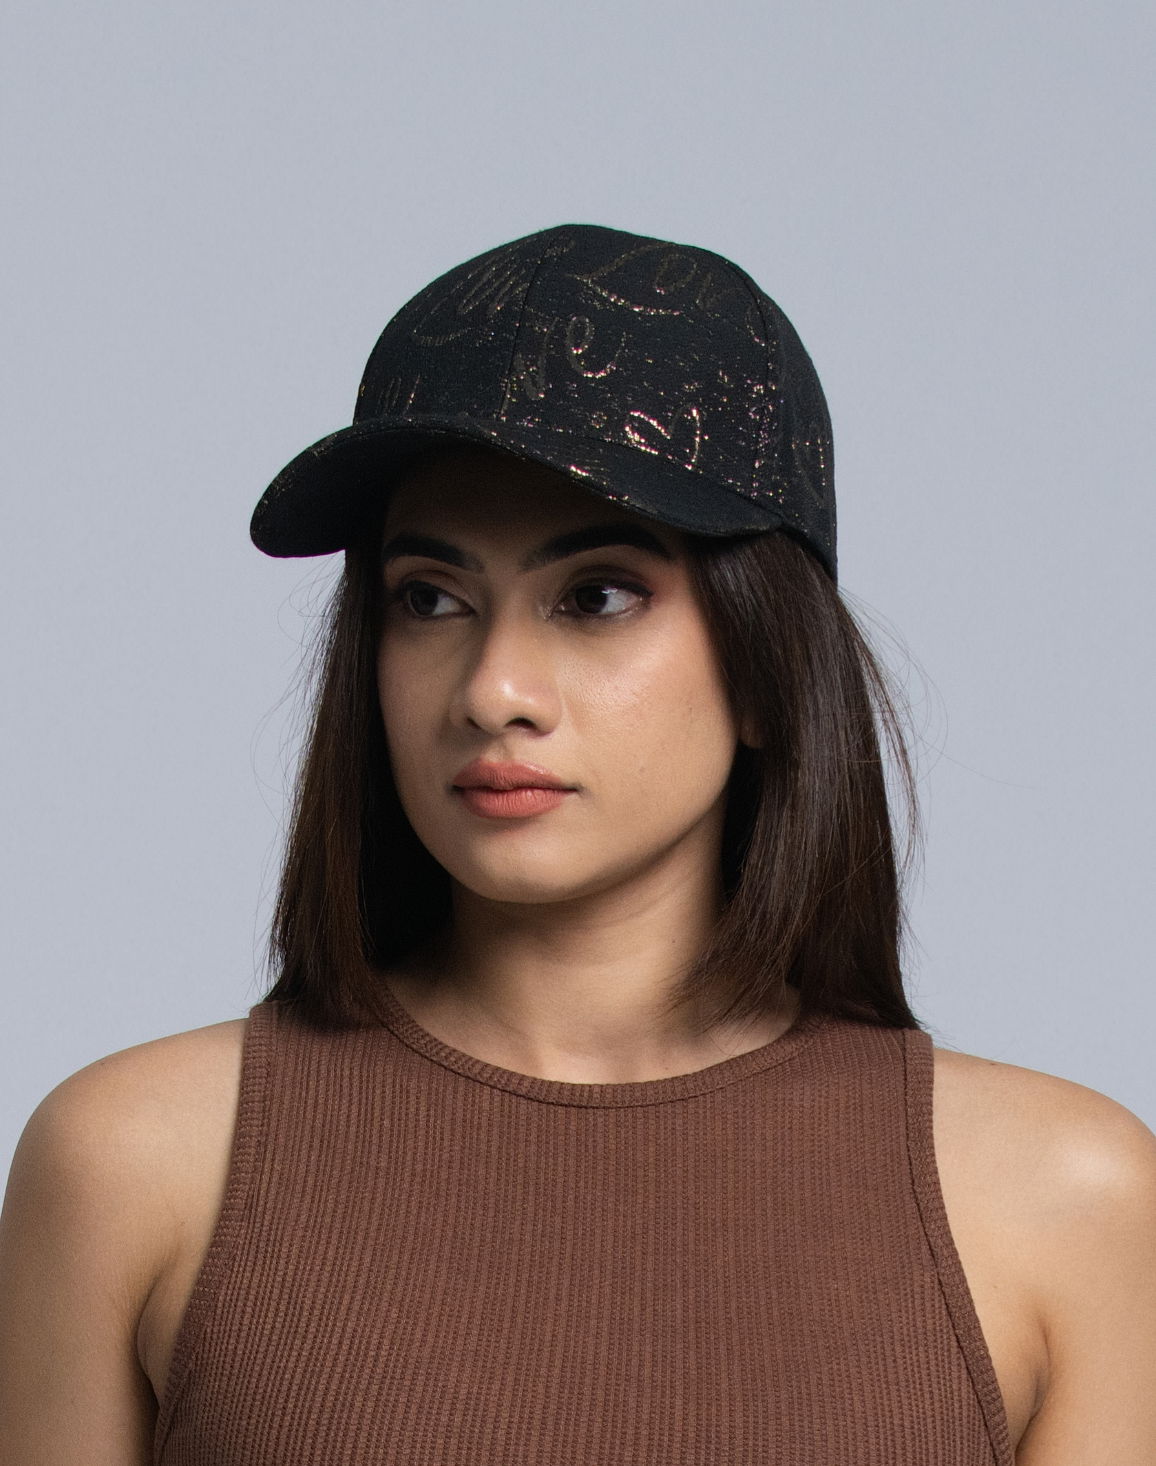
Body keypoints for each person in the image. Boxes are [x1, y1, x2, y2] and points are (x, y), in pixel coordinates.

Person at [1, 223, 1153, 1464]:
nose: (493, 687)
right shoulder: (134, 1162)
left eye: (597, 595)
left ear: (767, 663)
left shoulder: (1060, 1203)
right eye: (429, 597)